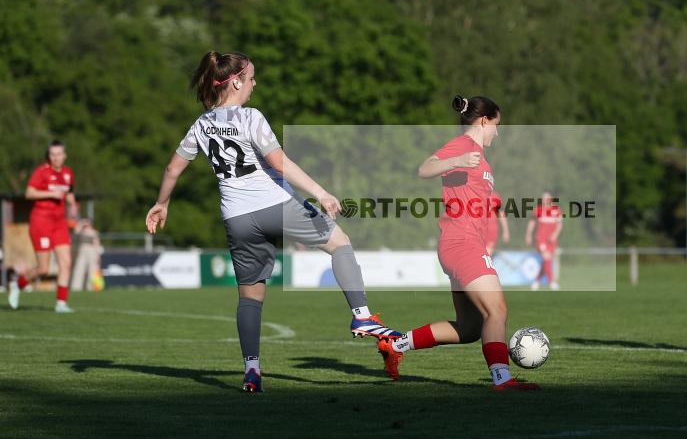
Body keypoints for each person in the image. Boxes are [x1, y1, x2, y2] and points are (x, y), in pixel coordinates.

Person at [145, 51, 401, 392]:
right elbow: (280, 164)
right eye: (251, 78)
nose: (254, 84)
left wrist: (162, 203)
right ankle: (362, 314)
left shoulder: (201, 124)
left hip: (236, 218)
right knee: (340, 244)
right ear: (236, 81)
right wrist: (321, 193)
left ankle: (252, 370)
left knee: (250, 298)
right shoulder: (250, 117)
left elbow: (172, 169)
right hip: (275, 205)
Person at [375, 95, 539, 391]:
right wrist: (458, 161)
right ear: (484, 120)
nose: (497, 133)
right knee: (497, 310)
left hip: (458, 244)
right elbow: (425, 168)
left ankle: (396, 344)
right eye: (496, 125)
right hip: (462, 243)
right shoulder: (464, 146)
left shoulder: (479, 156)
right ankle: (502, 379)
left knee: (469, 329)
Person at [7, 141, 76, 313]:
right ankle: (18, 283)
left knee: (66, 263)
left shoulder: (68, 173)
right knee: (43, 269)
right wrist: (51, 193)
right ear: (49, 156)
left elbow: (70, 193)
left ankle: (61, 303)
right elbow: (29, 193)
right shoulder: (42, 171)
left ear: (65, 155)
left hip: (59, 223)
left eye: (59, 154)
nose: (56, 157)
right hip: (41, 222)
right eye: (53, 154)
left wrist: (72, 203)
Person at [525, 192, 563, 291]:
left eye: (547, 198)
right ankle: (552, 282)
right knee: (546, 258)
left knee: (546, 261)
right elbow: (532, 222)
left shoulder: (556, 210)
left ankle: (536, 281)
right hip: (540, 239)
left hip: (551, 240)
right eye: (543, 198)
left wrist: (555, 235)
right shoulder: (538, 209)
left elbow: (559, 224)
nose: (545, 200)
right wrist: (528, 235)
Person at [484, 191, 509, 256]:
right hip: (475, 232)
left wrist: (506, 231)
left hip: (491, 230)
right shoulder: (472, 194)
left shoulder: (494, 196)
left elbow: (500, 214)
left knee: (487, 256)